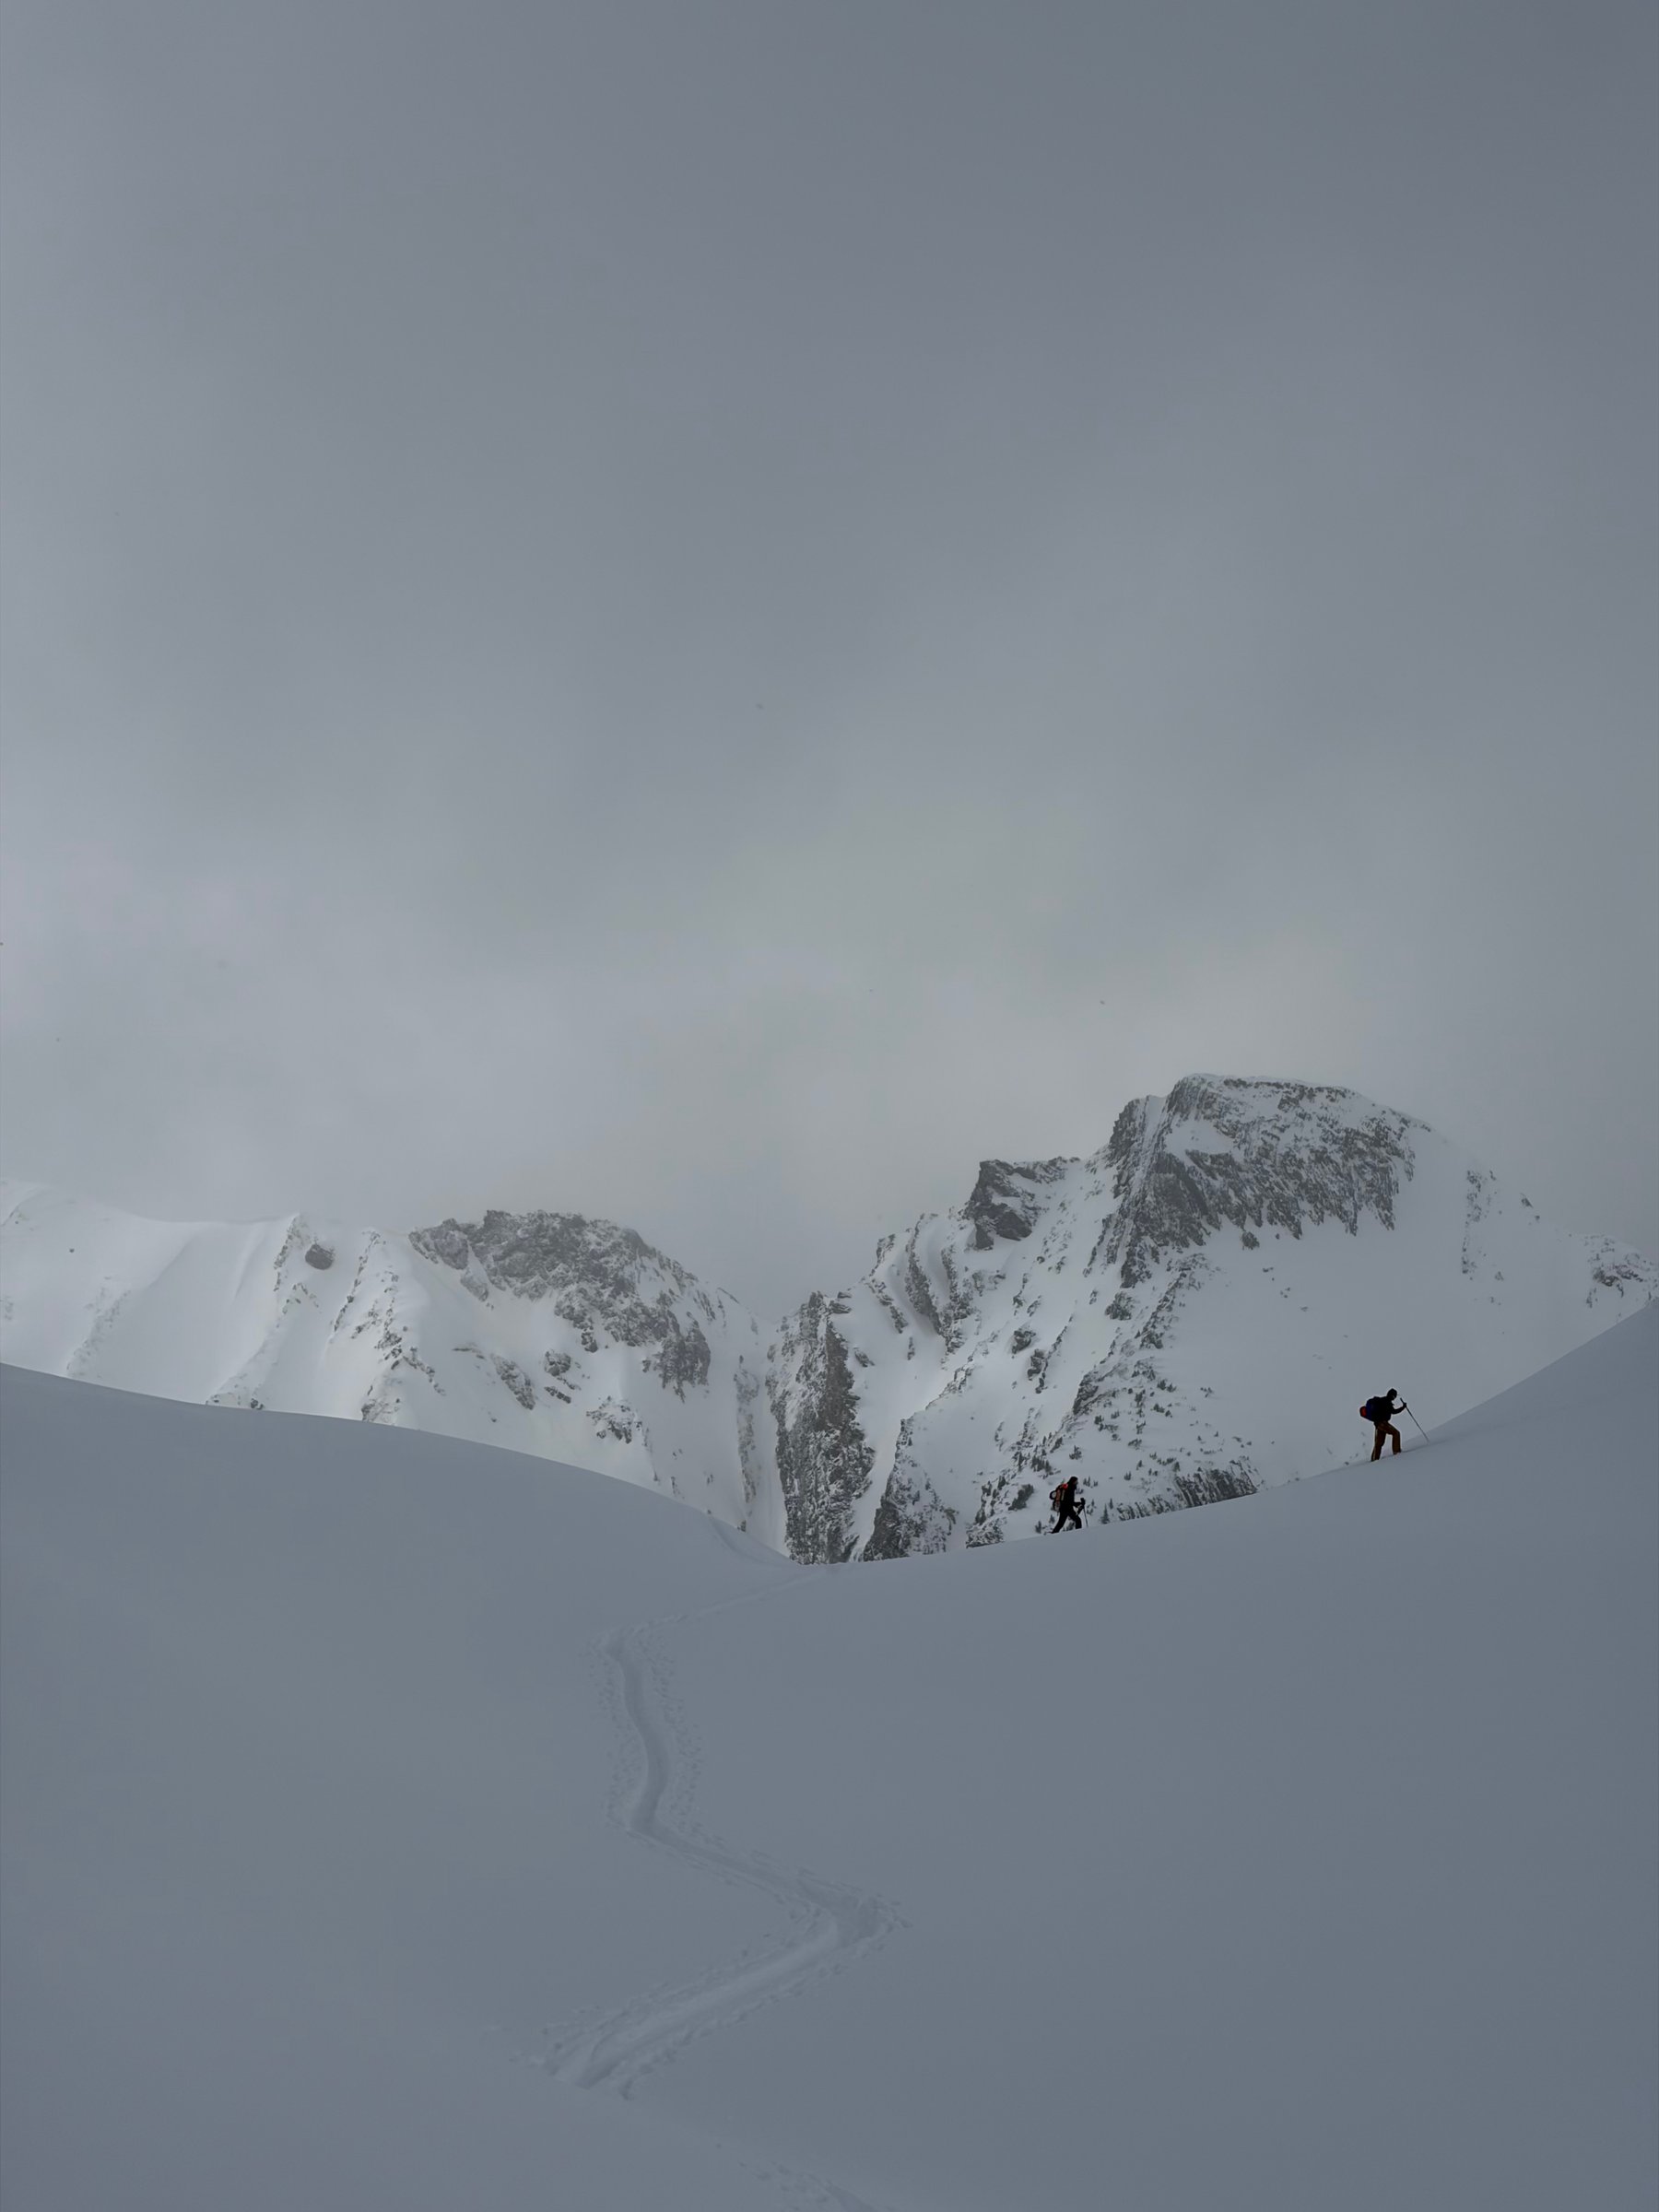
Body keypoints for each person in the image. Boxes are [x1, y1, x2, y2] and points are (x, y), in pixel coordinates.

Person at [1360, 1389, 1406, 1461]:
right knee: (1396, 1433)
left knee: (1379, 1442)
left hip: (1378, 1424)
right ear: (1393, 1396)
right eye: (1394, 1396)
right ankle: (1396, 1452)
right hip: (1383, 1423)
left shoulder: (1382, 1400)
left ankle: (1374, 1459)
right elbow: (1394, 1411)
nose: (1394, 1398)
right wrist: (1403, 1407)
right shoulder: (1387, 1402)